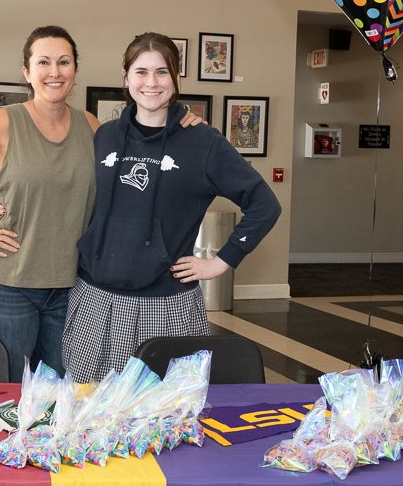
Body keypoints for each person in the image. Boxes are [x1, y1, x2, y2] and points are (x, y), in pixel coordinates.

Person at [0, 26, 200, 382]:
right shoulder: (2, 123)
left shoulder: (93, 128)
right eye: (44, 62)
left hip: (71, 287)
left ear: (75, 71)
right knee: (8, 392)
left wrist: (184, 123)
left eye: (64, 62)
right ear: (27, 72)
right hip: (10, 285)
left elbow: (141, 169)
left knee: (61, 396)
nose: (55, 71)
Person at [62, 32, 282, 383]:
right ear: (126, 78)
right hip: (95, 302)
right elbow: (71, 192)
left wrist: (221, 262)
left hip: (166, 306)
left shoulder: (203, 142)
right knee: (91, 413)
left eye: (162, 72)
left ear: (176, 79)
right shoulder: (104, 136)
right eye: (141, 72)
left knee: (170, 416)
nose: (151, 82)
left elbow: (264, 205)